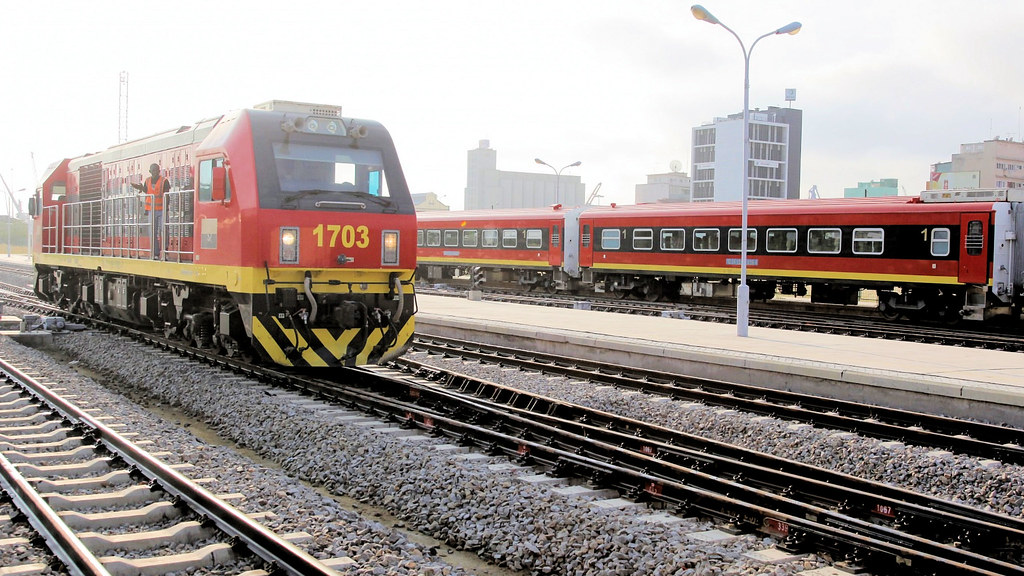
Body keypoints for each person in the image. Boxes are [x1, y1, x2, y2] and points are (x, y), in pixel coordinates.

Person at [131, 163, 169, 258]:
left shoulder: (164, 181)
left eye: (156, 170)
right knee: (153, 232)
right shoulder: (147, 181)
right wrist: (140, 188)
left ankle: (165, 251)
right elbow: (146, 190)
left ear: (159, 171)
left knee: (164, 230)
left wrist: (166, 208)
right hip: (151, 210)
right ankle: (156, 253)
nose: (155, 172)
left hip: (162, 210)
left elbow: (167, 195)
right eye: (153, 171)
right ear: (150, 171)